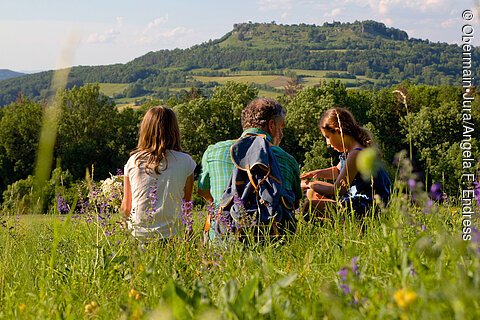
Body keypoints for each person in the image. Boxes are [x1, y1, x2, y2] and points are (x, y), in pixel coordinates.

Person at [198, 98, 303, 235]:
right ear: (271, 125)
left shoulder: (214, 152)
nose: (282, 134)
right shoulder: (288, 160)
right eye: (281, 127)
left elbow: (204, 192)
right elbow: (294, 204)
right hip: (273, 242)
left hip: (223, 243)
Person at [121, 106, 196, 239]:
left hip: (139, 235)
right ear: (174, 130)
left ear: (145, 130)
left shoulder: (133, 161)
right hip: (173, 235)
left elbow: (126, 208)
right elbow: (186, 206)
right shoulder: (186, 161)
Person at [301, 107, 391, 217]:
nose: (327, 143)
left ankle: (348, 228)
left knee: (310, 207)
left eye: (328, 137)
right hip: (357, 199)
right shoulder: (351, 151)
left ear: (338, 131)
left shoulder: (356, 153)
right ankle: (341, 226)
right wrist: (317, 173)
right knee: (313, 193)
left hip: (370, 205)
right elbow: (338, 171)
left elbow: (338, 190)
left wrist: (308, 184)